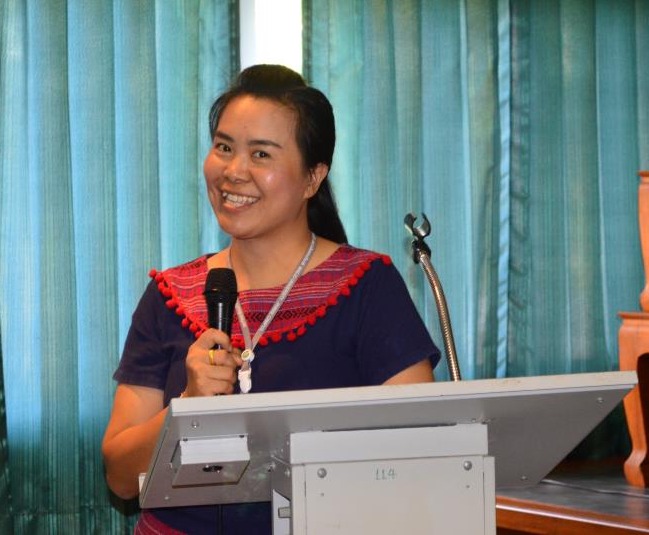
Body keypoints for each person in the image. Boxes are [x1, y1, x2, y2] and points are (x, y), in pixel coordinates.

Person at [102, 65, 440, 534]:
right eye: (224, 147)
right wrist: (187, 404)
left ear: (312, 178)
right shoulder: (169, 294)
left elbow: (422, 452)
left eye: (261, 154)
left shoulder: (367, 286)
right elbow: (120, 478)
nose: (233, 172)